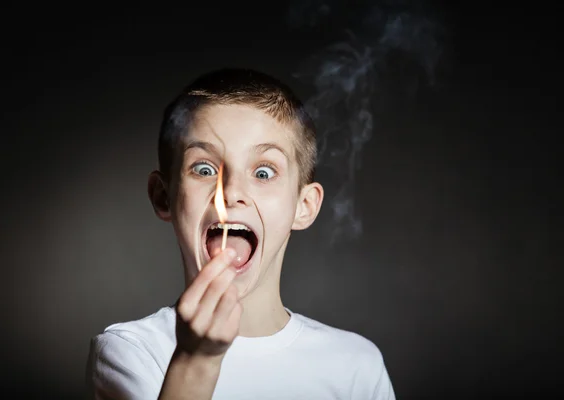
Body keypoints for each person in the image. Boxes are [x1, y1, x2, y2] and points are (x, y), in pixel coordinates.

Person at [85, 68, 396, 399]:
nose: (231, 192)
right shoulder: (131, 351)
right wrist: (196, 361)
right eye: (204, 169)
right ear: (164, 197)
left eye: (263, 172)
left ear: (303, 206)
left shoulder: (356, 365)